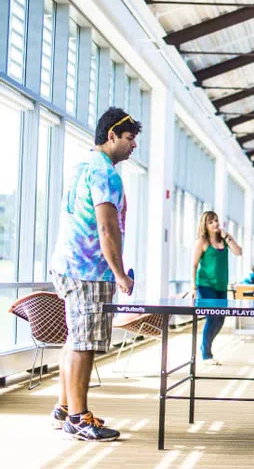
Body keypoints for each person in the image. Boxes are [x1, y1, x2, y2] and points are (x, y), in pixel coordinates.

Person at [49, 107, 141, 441]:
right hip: (88, 271)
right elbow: (106, 227)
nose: (133, 146)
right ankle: (78, 417)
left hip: (69, 265)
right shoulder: (106, 175)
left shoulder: (83, 167)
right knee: (84, 344)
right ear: (111, 135)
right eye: (130, 138)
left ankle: (64, 407)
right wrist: (119, 273)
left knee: (75, 338)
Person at [191, 211, 242, 365]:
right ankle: (206, 354)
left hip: (221, 286)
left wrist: (228, 237)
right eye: (211, 222)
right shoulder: (201, 241)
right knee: (212, 317)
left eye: (216, 221)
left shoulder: (224, 240)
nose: (215, 224)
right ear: (205, 225)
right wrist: (193, 287)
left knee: (221, 319)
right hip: (206, 285)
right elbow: (194, 265)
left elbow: (239, 252)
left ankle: (205, 346)